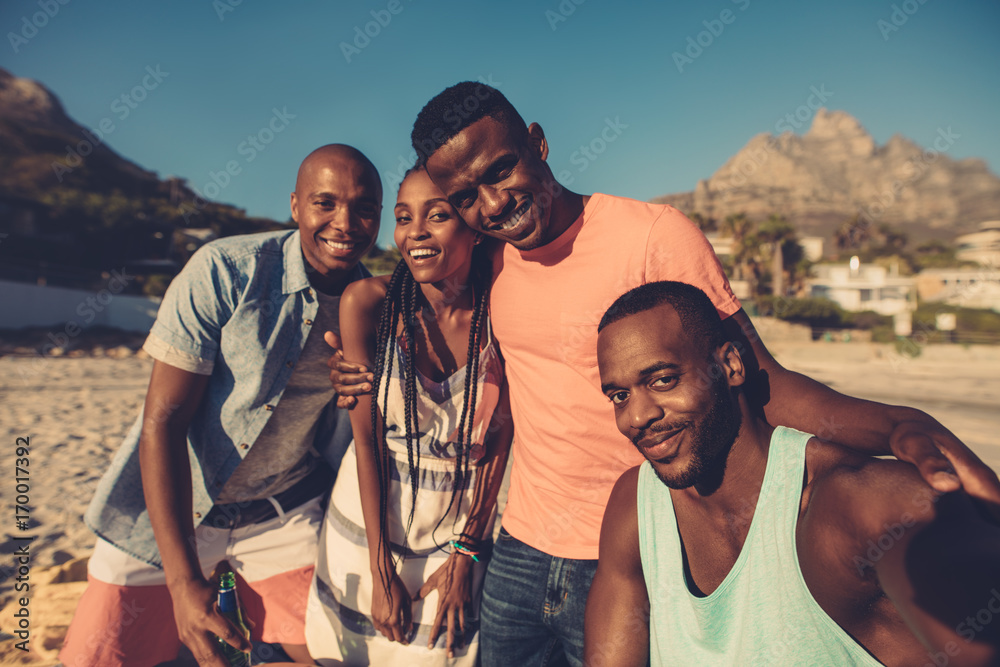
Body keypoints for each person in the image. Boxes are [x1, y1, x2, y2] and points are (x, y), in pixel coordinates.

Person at [329, 82, 1000, 667]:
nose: (492, 204)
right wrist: (356, 370)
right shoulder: (494, 260)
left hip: (630, 548)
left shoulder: (653, 236)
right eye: (466, 196)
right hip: (520, 550)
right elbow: (422, 309)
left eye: (501, 170)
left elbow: (759, 378)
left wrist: (899, 423)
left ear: (537, 142)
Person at [59, 144, 382, 667]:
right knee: (98, 657)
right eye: (326, 203)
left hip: (283, 513)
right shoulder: (226, 271)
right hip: (172, 510)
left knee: (334, 655)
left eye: (364, 207)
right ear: (296, 206)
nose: (345, 222)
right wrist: (184, 582)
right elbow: (162, 422)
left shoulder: (372, 305)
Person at [586, 280, 1000, 665]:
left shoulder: (851, 501)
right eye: (619, 395)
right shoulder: (636, 507)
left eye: (662, 380)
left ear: (730, 366)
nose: (636, 417)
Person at [304, 168, 514, 666]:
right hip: (366, 527)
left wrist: (469, 548)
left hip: (456, 529)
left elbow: (500, 437)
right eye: (403, 218)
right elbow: (367, 443)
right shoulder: (368, 305)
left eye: (437, 215)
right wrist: (379, 571)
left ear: (474, 226)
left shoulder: (503, 313)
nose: (414, 231)